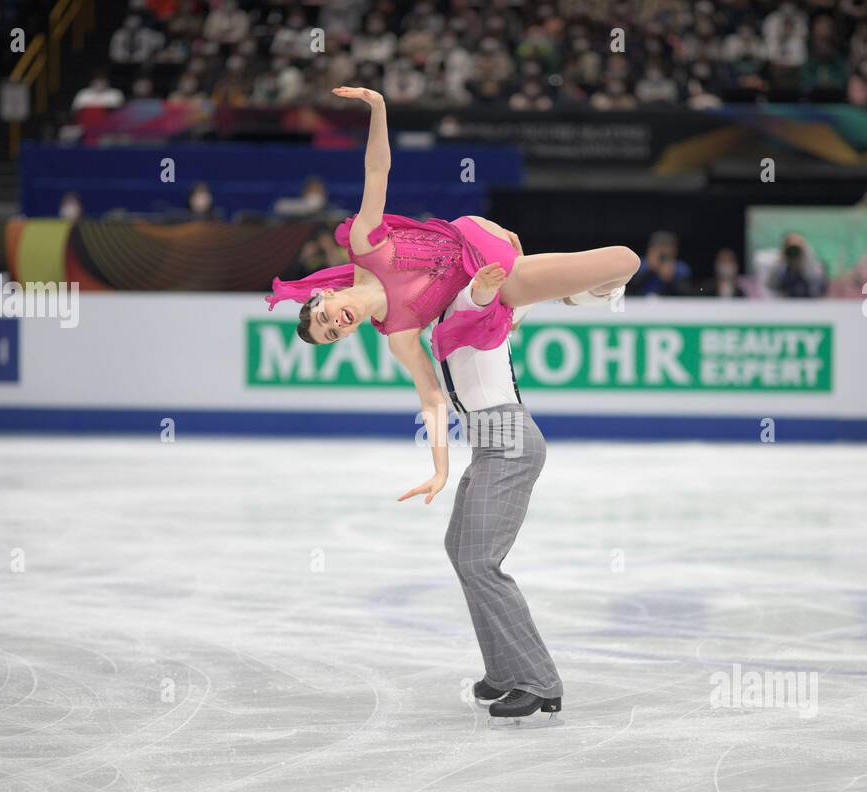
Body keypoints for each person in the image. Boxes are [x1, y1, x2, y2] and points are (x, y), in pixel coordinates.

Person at [267, 86, 638, 510]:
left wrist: (378, 108)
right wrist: (440, 468)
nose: (337, 325)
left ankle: (563, 299)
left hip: (481, 237)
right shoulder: (399, 335)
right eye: (333, 334)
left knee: (619, 263)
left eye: (325, 318)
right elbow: (431, 400)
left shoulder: (364, 244)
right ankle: (575, 299)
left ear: (326, 294)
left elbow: (377, 171)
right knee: (624, 261)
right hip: (498, 283)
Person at [426, 267, 561, 721]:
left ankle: (538, 681)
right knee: (461, 549)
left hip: (508, 441)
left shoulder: (466, 300)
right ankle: (503, 672)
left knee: (481, 561)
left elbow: (483, 294)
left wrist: (483, 282)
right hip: (489, 443)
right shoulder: (442, 315)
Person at [626, 231, 692, 297]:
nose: (662, 255)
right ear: (650, 250)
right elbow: (630, 287)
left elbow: (686, 293)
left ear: (674, 251)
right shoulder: (639, 264)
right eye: (659, 249)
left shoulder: (681, 268)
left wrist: (671, 278)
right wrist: (650, 268)